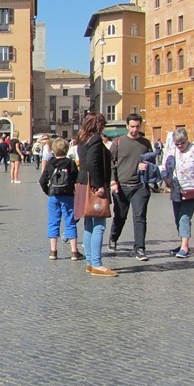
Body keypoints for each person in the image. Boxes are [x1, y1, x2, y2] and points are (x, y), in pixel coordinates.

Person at [160, 127, 194, 258]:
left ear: (187, 140)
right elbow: (165, 165)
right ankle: (182, 243)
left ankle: (185, 247)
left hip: (192, 189)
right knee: (178, 218)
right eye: (177, 143)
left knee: (184, 217)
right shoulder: (173, 150)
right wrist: (166, 178)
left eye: (182, 143)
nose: (180, 146)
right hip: (176, 189)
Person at [108, 113, 153, 261]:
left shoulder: (145, 143)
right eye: (132, 126)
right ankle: (113, 238)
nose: (135, 129)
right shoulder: (118, 142)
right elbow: (111, 164)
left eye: (137, 126)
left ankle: (140, 248)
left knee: (140, 217)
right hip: (121, 186)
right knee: (120, 216)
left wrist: (147, 166)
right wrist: (113, 181)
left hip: (140, 186)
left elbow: (153, 162)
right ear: (127, 126)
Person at [76, 112, 116, 277]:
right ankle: (97, 264)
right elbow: (93, 163)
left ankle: (90, 262)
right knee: (99, 224)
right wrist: (98, 185)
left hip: (83, 183)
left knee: (89, 224)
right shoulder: (95, 140)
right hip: (93, 185)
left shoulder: (82, 140)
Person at [38, 138, 83, 261]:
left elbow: (42, 180)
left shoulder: (51, 163)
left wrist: (48, 191)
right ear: (67, 149)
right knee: (70, 221)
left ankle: (53, 251)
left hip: (54, 196)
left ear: (54, 149)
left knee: (53, 221)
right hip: (68, 196)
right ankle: (74, 251)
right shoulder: (70, 163)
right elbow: (77, 179)